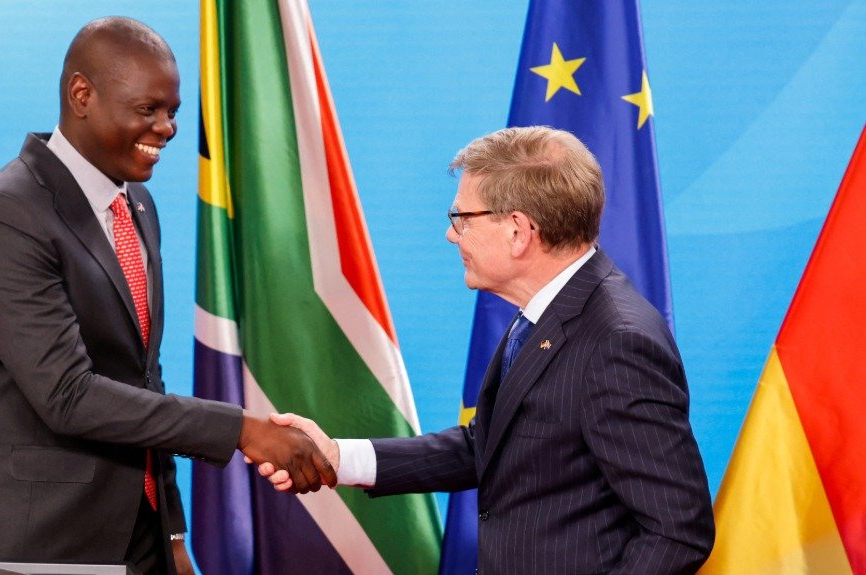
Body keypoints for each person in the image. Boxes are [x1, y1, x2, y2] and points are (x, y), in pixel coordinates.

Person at [0, 17, 334, 575]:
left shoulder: (137, 205)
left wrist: (170, 530)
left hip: (136, 537)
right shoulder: (6, 213)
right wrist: (241, 428)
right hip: (35, 542)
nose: (167, 128)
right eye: (149, 110)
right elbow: (68, 394)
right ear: (82, 95)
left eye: (172, 111)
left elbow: (144, 378)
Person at [262, 127, 715, 574]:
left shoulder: (617, 340)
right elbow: (489, 446)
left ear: (518, 231)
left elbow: (677, 530)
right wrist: (339, 458)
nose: (451, 235)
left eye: (462, 218)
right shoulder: (549, 309)